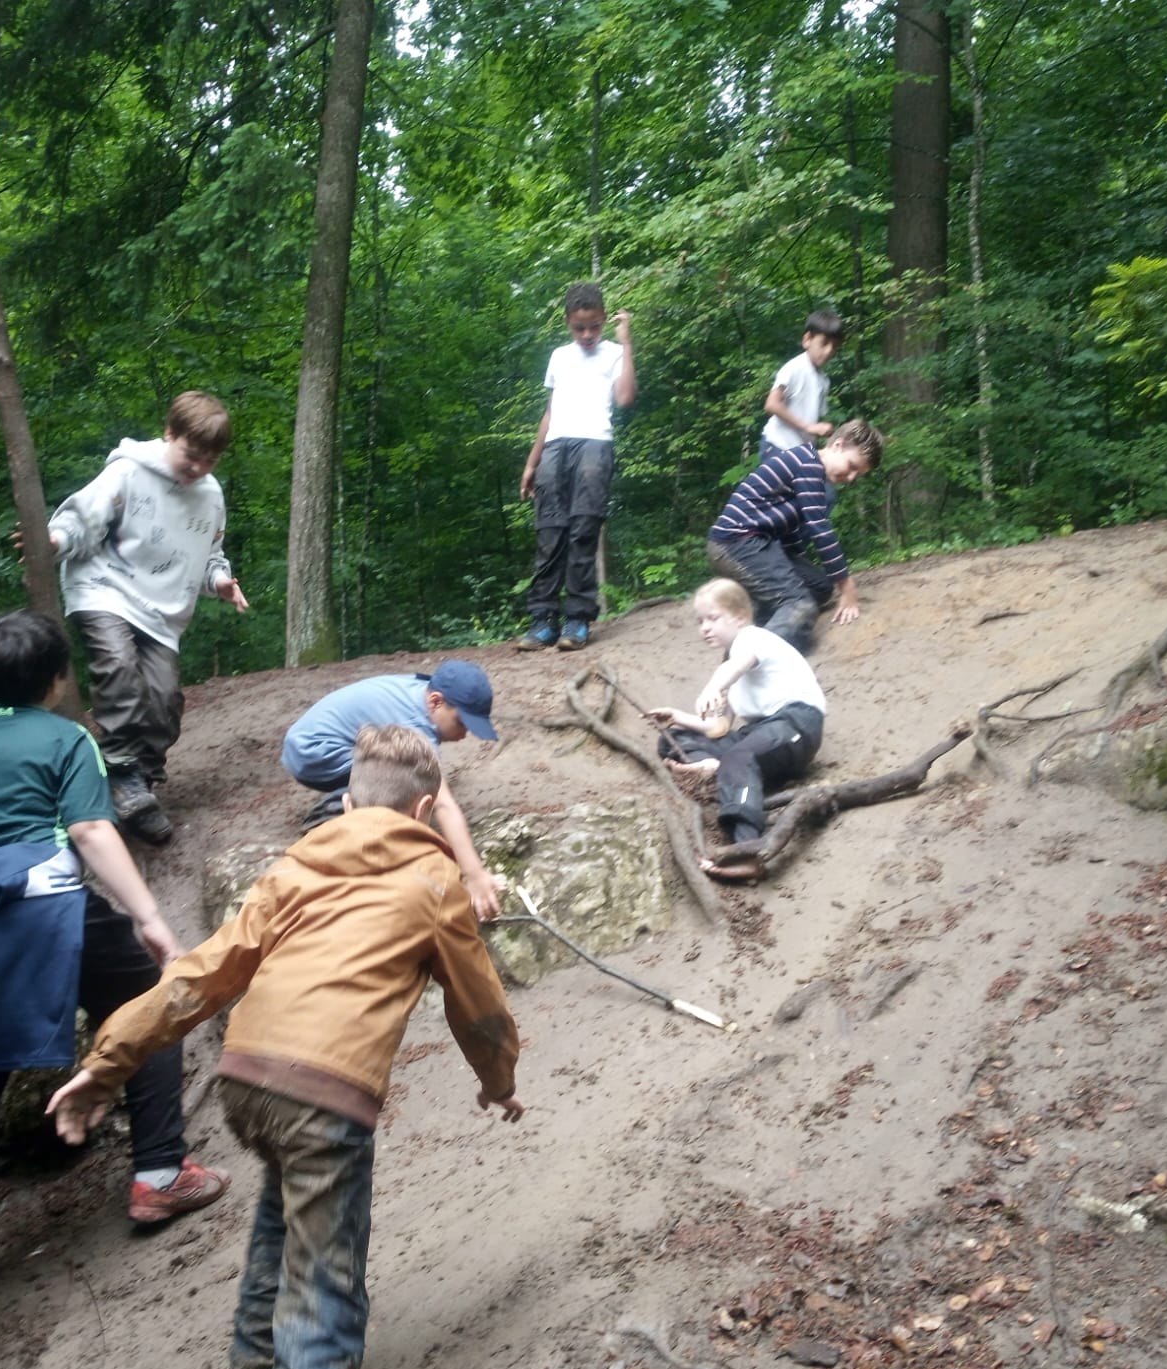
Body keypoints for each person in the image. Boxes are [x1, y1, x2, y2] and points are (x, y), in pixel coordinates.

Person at [46, 724, 524, 1369]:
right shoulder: (434, 878)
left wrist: (110, 1058)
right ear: (424, 811)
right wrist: (499, 1081)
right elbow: (476, 1003)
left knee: (283, 1203)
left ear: (347, 801)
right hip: (327, 1094)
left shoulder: (296, 865)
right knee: (327, 1297)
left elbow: (203, 973)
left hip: (247, 1081)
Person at [0, 611, 228, 1322]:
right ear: (57, 679)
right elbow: (89, 829)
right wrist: (148, 917)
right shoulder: (66, 737)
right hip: (51, 910)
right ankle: (159, 1173)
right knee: (147, 1010)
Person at [47, 391, 251, 844]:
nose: (198, 467)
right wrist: (56, 541)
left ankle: (138, 782)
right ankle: (120, 768)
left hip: (162, 610)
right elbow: (84, 518)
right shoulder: (128, 471)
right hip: (104, 587)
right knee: (118, 666)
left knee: (163, 699)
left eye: (210, 460)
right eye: (191, 455)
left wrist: (220, 581)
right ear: (169, 433)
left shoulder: (211, 496)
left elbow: (209, 554)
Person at [279, 659, 504, 922]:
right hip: (312, 752)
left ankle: (355, 798)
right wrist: (475, 875)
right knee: (395, 780)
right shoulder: (414, 722)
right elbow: (443, 805)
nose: (466, 734)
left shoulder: (422, 693)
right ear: (435, 702)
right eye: (462, 723)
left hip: (310, 742)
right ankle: (333, 813)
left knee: (407, 778)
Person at [648, 579, 826, 883]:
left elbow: (732, 669)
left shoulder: (753, 639)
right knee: (672, 738)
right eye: (700, 621)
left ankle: (750, 853)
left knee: (739, 756)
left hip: (796, 724)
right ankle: (710, 767)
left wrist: (712, 687)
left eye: (713, 618)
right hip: (761, 736)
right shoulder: (733, 663)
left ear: (740, 616)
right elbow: (719, 727)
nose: (705, 628)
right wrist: (678, 717)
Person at [517, 281, 636, 653]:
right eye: (579, 327)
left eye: (594, 326)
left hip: (594, 446)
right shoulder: (559, 357)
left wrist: (626, 343)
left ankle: (577, 620)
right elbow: (550, 412)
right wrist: (531, 463)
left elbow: (625, 398)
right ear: (567, 322)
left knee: (583, 532)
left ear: (603, 319)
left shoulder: (614, 353)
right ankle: (542, 622)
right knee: (549, 534)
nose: (587, 334)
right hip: (555, 448)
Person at [706, 417, 884, 654]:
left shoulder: (808, 470)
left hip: (756, 542)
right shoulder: (808, 464)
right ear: (838, 445)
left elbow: (788, 533)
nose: (851, 477)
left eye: (857, 474)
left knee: (819, 587)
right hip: (737, 543)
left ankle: (759, 622)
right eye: (852, 466)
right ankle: (747, 662)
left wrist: (800, 568)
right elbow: (820, 529)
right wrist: (846, 584)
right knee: (799, 604)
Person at [760, 309, 845, 460]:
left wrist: (827, 430)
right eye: (824, 343)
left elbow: (813, 421)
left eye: (834, 346)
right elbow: (771, 404)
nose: (829, 351)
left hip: (800, 451)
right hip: (777, 445)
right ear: (807, 339)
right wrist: (808, 427)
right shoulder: (795, 367)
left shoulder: (823, 380)